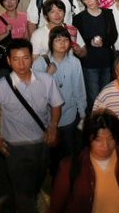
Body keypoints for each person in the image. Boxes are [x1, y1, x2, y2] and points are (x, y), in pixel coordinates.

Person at [0, 39, 64, 213]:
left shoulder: (46, 80)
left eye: (25, 58)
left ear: (31, 59)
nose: (21, 64)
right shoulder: (1, 88)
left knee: (36, 182)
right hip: (16, 150)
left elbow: (56, 104)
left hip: (42, 145)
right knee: (23, 195)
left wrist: (53, 127)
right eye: (15, 59)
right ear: (8, 61)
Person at [49, 109, 119, 213]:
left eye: (110, 138)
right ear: (88, 139)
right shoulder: (71, 167)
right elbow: (56, 205)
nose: (105, 145)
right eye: (98, 140)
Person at [32, 26, 87, 178]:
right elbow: (35, 94)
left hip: (69, 116)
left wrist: (82, 114)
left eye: (65, 39)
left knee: (69, 154)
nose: (62, 43)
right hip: (47, 120)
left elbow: (79, 89)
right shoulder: (40, 64)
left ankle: (68, 183)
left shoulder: (75, 62)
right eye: (57, 40)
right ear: (50, 43)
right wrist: (47, 75)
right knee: (52, 157)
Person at [72, 0, 118, 112]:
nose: (89, 1)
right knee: (93, 96)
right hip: (89, 62)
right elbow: (78, 41)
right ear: (82, 1)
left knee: (107, 95)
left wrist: (103, 42)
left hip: (106, 60)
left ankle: (106, 122)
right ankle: (94, 124)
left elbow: (114, 35)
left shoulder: (108, 14)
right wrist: (90, 42)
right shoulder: (78, 18)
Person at [0, 0, 29, 79]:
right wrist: (5, 34)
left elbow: (27, 38)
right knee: (5, 86)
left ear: (17, 1)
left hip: (20, 57)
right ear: (2, 3)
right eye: (6, 0)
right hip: (3, 59)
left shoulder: (24, 16)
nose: (9, 3)